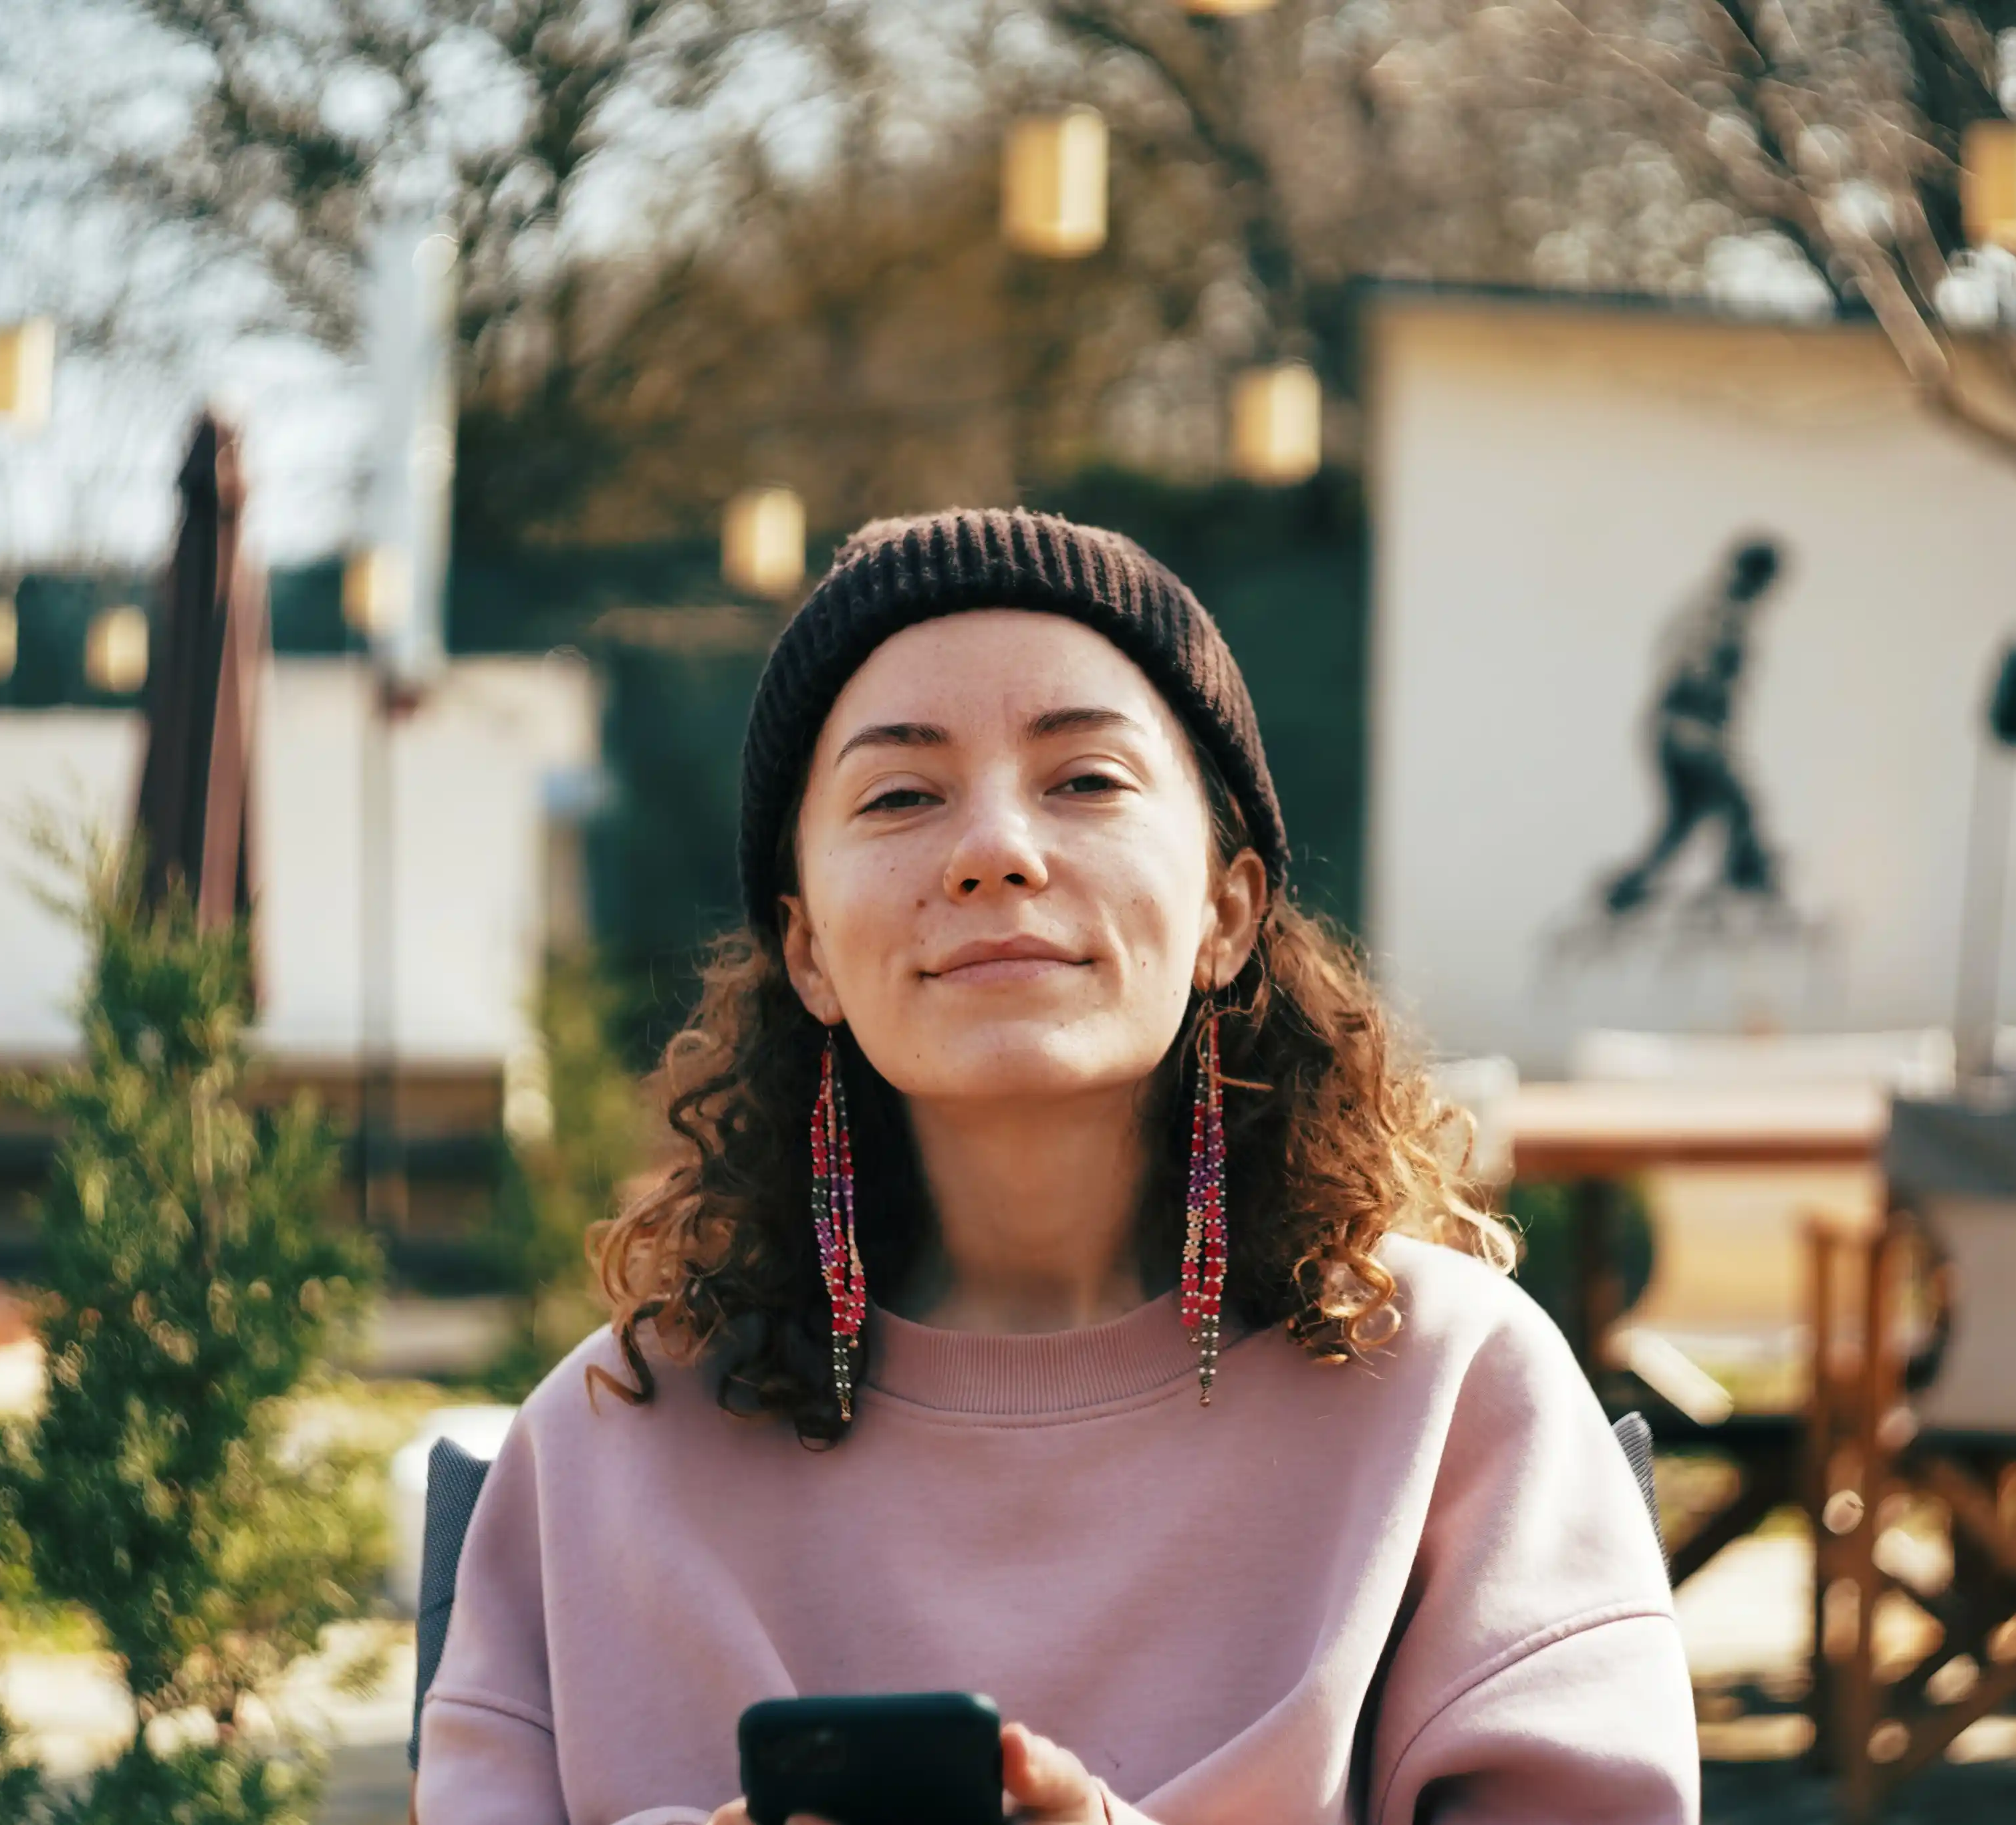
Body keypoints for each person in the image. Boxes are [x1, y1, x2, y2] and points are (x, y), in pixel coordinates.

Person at [417, 509, 1696, 1824]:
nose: (995, 850)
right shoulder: (604, 1446)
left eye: (1083, 779)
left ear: (1227, 906)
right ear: (805, 951)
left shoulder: (1451, 1392)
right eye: (900, 794)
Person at [1600, 537, 1787, 918]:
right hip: (1688, 726)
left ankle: (1627, 889)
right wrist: (1710, 728)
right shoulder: (1720, 614)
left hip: (1676, 726)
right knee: (1738, 806)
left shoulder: (1715, 609)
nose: (1766, 592)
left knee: (1682, 824)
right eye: (1764, 580)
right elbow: (1697, 671)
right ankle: (1747, 880)